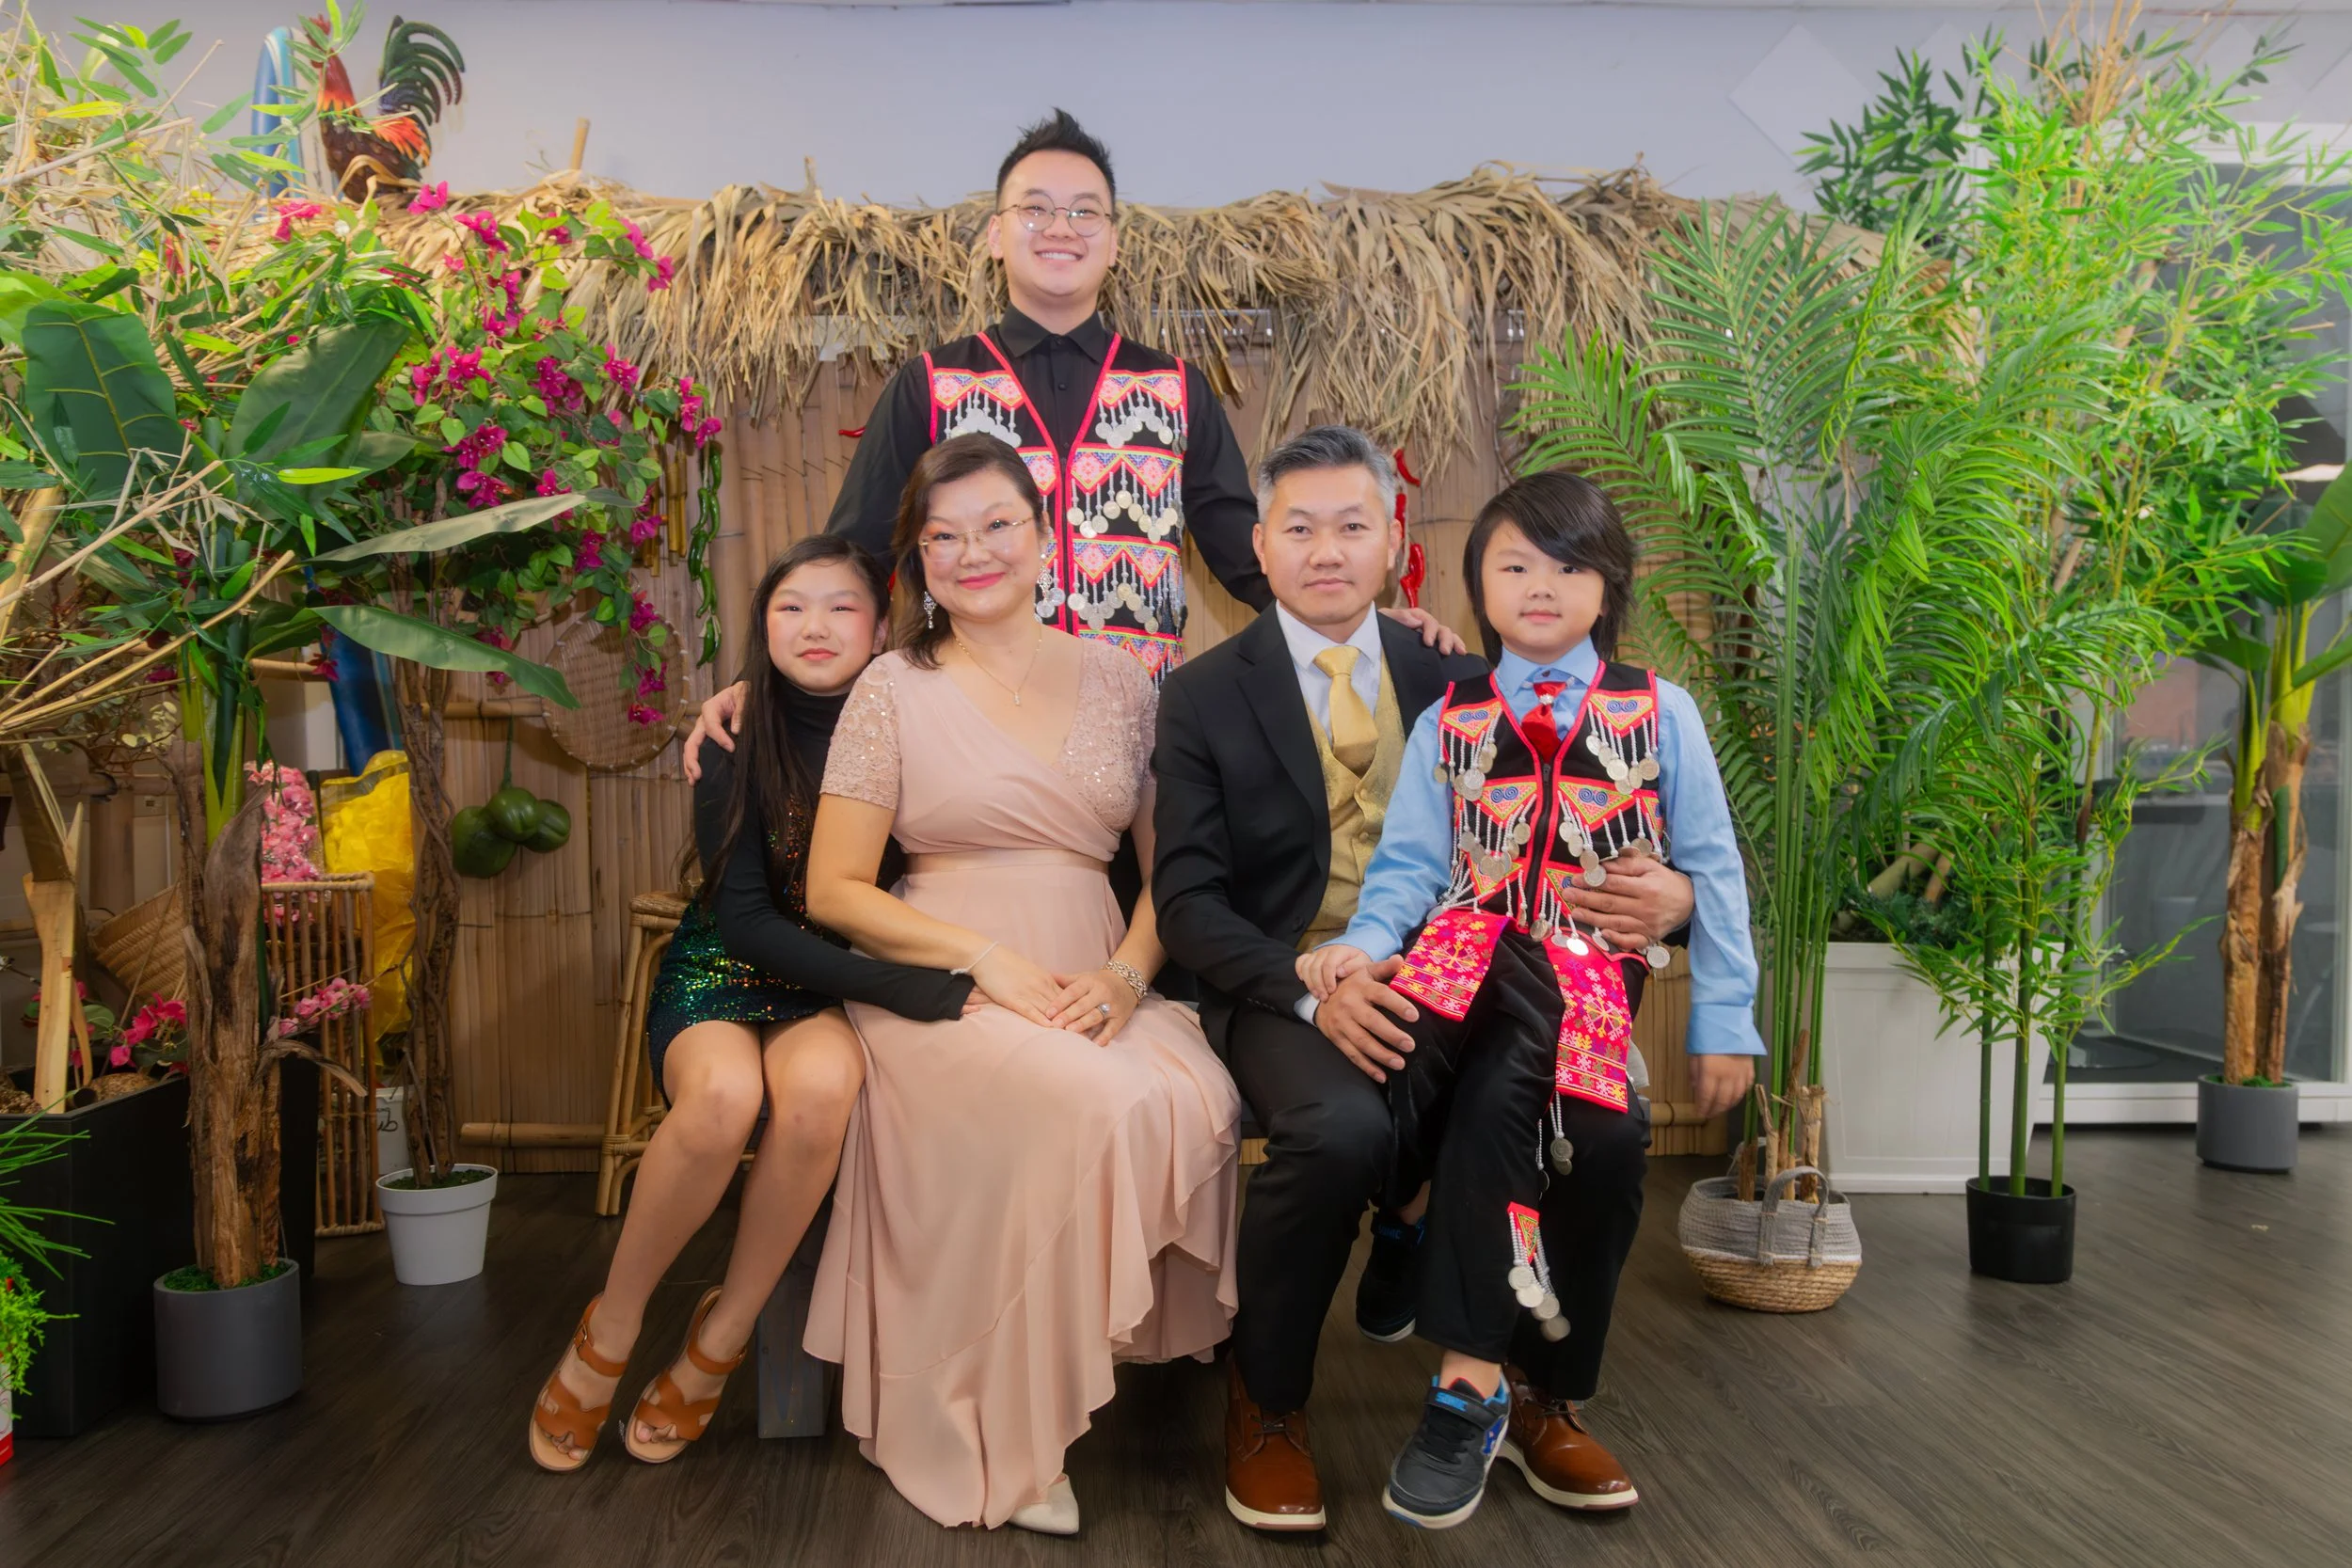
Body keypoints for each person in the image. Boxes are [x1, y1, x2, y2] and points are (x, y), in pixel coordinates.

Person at [1152, 427, 1699, 1533]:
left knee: (1600, 1131)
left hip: (1485, 972)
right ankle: (1267, 1401)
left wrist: (1676, 902)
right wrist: (1311, 988)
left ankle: (1541, 1394)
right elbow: (1190, 902)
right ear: (1255, 542)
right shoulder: (1202, 692)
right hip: (1287, 984)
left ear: (1394, 540)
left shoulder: (1461, 677)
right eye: (1297, 527)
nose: (1325, 550)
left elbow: (1622, 833)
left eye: (1353, 524)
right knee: (1339, 1127)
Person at [679, 109, 1462, 779]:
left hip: (1149, 733)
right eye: (1035, 210)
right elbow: (855, 556)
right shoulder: (930, 383)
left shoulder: (1176, 388)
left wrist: (1373, 623)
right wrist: (768, 678)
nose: (1061, 228)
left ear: (1114, 241)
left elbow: (1249, 558)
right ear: (995, 235)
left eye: (1085, 212)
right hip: (968, 726)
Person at [1298, 469, 1762, 1528]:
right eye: (1514, 564)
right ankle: (1469, 1363)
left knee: (1583, 1127)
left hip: (1591, 978)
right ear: (1478, 587)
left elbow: (1714, 870)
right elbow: (1410, 871)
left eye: (1568, 566)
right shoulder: (1450, 719)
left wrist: (1724, 1016)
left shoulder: (1662, 711)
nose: (1540, 585)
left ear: (1610, 588)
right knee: (1503, 983)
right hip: (1456, 963)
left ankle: (1463, 1330)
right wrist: (1359, 949)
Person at [801, 433, 1242, 1535]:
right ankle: (1007, 1419)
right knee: (1086, 1100)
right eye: (942, 536)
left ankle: (1070, 1358)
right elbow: (835, 890)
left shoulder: (1118, 677)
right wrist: (980, 957)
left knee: (1193, 1093)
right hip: (937, 980)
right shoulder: (889, 690)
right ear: (917, 561)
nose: (972, 550)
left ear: (1044, 539)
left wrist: (1130, 978)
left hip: (1095, 961)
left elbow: (1169, 868)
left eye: (997, 524)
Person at [529, 536, 976, 1473]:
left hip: (832, 982)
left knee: (819, 1095)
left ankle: (720, 1336)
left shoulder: (916, 721)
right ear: (759, 626)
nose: (814, 626)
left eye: (841, 607)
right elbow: (745, 922)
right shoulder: (732, 735)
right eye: (790, 607)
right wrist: (915, 990)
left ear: (883, 624)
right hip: (728, 966)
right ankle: (611, 1322)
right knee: (722, 1100)